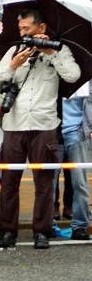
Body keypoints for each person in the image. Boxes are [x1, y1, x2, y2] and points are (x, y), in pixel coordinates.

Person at [0, 8, 80, 250]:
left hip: (45, 124)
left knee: (44, 182)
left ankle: (42, 231)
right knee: (9, 181)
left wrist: (51, 52)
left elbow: (73, 76)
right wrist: (13, 65)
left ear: (41, 28)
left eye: (27, 28)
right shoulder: (14, 50)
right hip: (15, 124)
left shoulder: (60, 50)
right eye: (20, 29)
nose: (22, 33)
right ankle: (7, 231)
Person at [61, 84, 90, 240]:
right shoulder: (51, 72)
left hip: (78, 131)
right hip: (52, 131)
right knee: (47, 183)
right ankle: (46, 225)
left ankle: (80, 225)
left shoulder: (86, 76)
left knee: (79, 182)